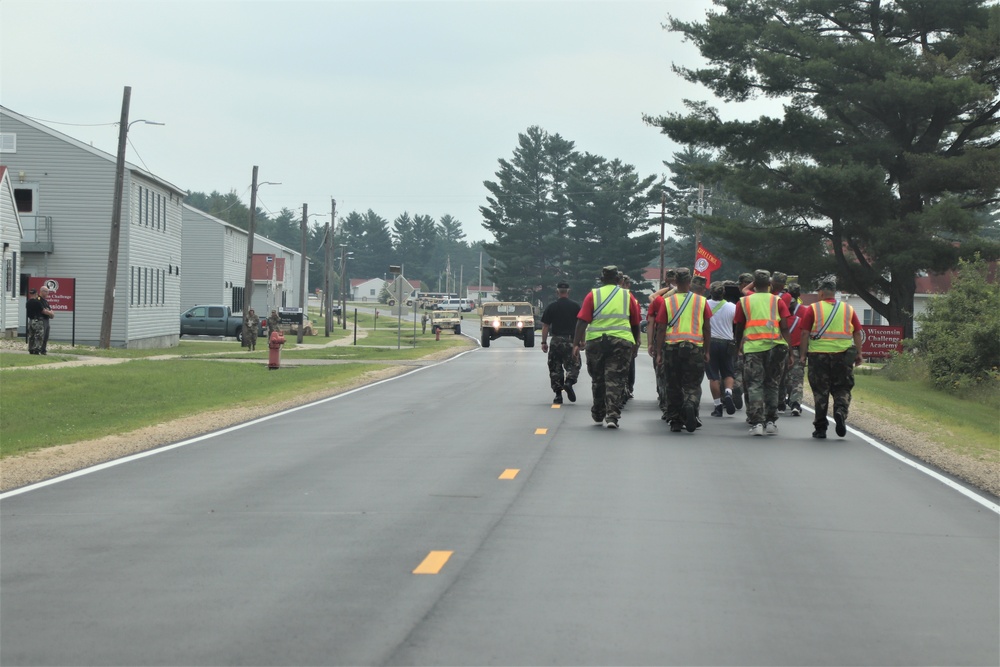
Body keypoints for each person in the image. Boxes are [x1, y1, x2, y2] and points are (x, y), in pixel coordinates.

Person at [572, 265, 642, 429]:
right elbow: (635, 323)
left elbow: (582, 321)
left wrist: (576, 344)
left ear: (602, 279)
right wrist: (635, 342)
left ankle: (598, 411)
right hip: (621, 341)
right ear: (618, 279)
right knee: (615, 379)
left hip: (596, 341)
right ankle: (612, 416)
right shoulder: (627, 296)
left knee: (598, 378)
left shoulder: (593, 295)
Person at [799, 277, 864, 439]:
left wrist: (802, 354)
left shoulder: (812, 309)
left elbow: (805, 333)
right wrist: (859, 353)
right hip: (842, 356)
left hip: (818, 356)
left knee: (820, 392)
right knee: (842, 388)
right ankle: (840, 411)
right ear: (834, 293)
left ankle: (820, 428)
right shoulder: (848, 309)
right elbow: (857, 332)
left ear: (820, 292)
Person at [733, 269, 792, 436]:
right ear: (770, 284)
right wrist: (790, 351)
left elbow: (739, 327)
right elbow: (785, 327)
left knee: (754, 385)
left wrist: (738, 346)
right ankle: (771, 422)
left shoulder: (744, 302)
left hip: (753, 348)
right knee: (772, 384)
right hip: (776, 347)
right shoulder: (777, 301)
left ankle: (757, 422)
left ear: (754, 284)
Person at [655, 268, 712, 432]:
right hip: (695, 348)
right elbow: (707, 328)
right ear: (690, 282)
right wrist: (707, 351)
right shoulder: (701, 301)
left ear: (676, 282)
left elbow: (661, 328)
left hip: (672, 348)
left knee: (672, 384)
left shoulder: (667, 302)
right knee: (692, 384)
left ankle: (675, 420)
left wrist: (659, 352)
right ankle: (690, 404)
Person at [540, 282, 582, 404]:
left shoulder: (552, 307)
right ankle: (569, 382)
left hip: (556, 340)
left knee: (555, 367)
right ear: (568, 292)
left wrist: (544, 342)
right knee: (574, 364)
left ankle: (558, 395)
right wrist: (581, 341)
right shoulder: (575, 306)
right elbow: (581, 325)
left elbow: (545, 326)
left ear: (557, 292)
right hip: (571, 341)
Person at [705, 282, 737, 417]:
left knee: (713, 376)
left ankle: (718, 406)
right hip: (727, 342)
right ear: (723, 293)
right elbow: (737, 323)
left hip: (711, 342)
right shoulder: (732, 307)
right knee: (728, 373)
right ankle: (728, 393)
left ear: (711, 292)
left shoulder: (704, 305)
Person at [782, 282, 806, 416]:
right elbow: (805, 334)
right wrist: (804, 354)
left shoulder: (780, 316)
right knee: (797, 378)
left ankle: (781, 400)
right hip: (797, 350)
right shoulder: (804, 312)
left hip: (782, 349)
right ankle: (795, 403)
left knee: (781, 377)